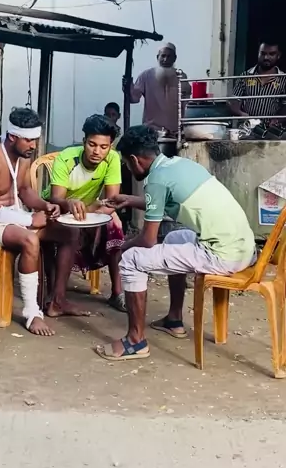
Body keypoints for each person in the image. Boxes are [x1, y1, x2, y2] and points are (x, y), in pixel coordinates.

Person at [96, 125, 256, 360]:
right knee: (174, 238)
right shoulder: (180, 165)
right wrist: (129, 200)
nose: (129, 169)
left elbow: (148, 240)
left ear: (134, 160)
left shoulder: (156, 181)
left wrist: (122, 246)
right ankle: (174, 319)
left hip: (222, 255)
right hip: (244, 248)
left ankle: (135, 341)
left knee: (131, 259)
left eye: (127, 164)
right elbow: (162, 200)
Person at [0, 107, 82, 336]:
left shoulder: (23, 157)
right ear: (12, 136)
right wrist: (30, 218)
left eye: (35, 140)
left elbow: (25, 191)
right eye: (29, 140)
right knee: (30, 239)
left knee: (69, 232)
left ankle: (57, 300)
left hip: (13, 217)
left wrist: (44, 206)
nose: (33, 145)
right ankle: (31, 313)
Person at [45, 114, 126, 310]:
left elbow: (112, 201)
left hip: (90, 210)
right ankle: (55, 295)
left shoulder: (113, 159)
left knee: (115, 224)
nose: (97, 151)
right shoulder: (66, 158)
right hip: (58, 209)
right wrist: (70, 203)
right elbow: (56, 198)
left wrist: (91, 212)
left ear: (110, 147)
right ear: (84, 142)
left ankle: (117, 293)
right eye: (92, 144)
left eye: (104, 147)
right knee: (67, 230)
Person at [123, 42, 189, 135]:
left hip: (175, 132)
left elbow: (186, 102)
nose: (165, 59)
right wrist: (128, 87)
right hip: (151, 131)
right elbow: (134, 99)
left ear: (175, 58)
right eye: (163, 56)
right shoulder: (146, 75)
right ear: (158, 57)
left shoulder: (181, 76)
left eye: (169, 56)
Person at [230, 41, 286, 138]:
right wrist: (242, 114)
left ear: (278, 56)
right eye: (263, 53)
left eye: (271, 54)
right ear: (258, 53)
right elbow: (234, 101)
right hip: (247, 130)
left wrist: (277, 120)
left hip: (272, 132)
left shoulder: (283, 79)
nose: (266, 57)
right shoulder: (245, 76)